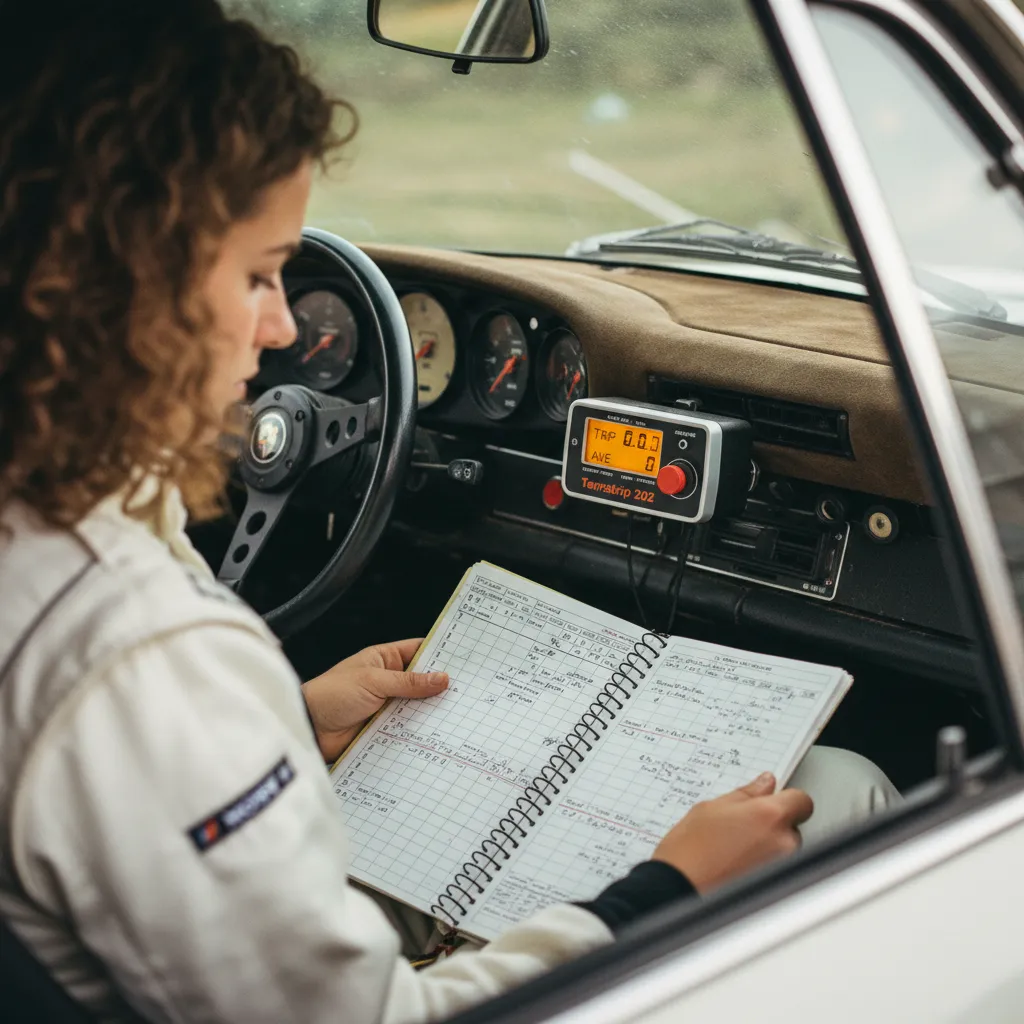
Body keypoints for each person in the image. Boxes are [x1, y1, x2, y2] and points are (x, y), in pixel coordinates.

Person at [0, 3, 898, 1022]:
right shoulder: (140, 652)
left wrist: (285, 716)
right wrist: (667, 891)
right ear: (107, 284)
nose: (285, 326)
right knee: (844, 789)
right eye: (255, 275)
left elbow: (117, 777)